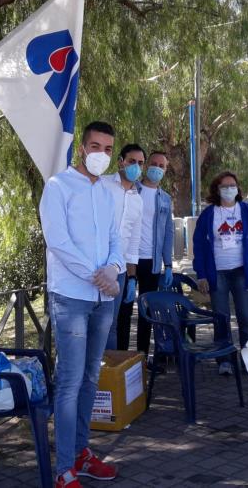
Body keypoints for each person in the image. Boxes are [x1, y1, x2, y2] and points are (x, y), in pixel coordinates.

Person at [39, 121, 124, 487]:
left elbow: (116, 239)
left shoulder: (109, 193)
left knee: (91, 378)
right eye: (95, 146)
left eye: (108, 149)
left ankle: (81, 453)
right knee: (70, 382)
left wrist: (115, 268)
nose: (101, 155)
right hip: (71, 297)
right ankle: (63, 471)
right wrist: (97, 274)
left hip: (103, 298)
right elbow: (57, 241)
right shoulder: (58, 187)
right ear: (82, 149)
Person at [192, 171, 248, 375]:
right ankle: (224, 360)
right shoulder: (208, 215)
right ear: (217, 189)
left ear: (238, 188)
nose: (229, 189)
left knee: (246, 318)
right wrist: (202, 275)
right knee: (221, 317)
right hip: (217, 273)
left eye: (232, 185)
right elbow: (198, 245)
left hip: (242, 272)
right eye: (224, 186)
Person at [121, 150, 175, 354]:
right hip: (128, 261)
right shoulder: (131, 190)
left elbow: (168, 233)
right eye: (154, 164)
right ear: (146, 165)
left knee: (147, 313)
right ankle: (123, 358)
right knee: (124, 312)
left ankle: (142, 359)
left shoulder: (165, 199)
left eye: (162, 166)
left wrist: (168, 264)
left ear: (166, 170)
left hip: (152, 263)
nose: (157, 169)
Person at [102, 144, 145, 350]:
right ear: (121, 161)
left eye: (140, 163)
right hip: (95, 266)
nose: (136, 166)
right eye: (131, 161)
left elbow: (133, 241)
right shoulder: (102, 184)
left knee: (111, 324)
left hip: (118, 271)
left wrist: (132, 277)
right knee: (90, 324)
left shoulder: (138, 200)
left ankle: (107, 376)